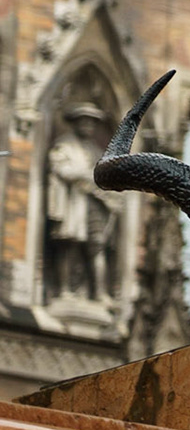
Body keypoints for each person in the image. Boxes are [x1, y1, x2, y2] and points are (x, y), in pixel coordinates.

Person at [44, 102, 117, 301]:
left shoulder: (94, 150)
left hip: (94, 204)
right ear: (76, 123)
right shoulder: (65, 144)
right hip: (74, 203)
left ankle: (99, 292)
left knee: (97, 246)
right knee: (70, 245)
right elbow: (60, 168)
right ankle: (65, 289)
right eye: (84, 121)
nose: (88, 126)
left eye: (92, 122)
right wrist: (85, 175)